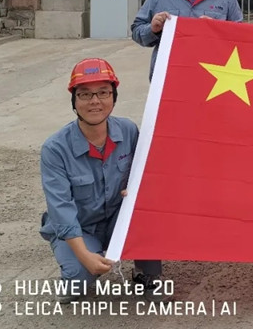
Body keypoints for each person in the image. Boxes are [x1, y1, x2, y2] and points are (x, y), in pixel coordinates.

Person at [40, 58, 162, 303]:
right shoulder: (55, 149)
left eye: (103, 92)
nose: (95, 101)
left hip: (118, 219)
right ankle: (75, 271)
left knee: (150, 211)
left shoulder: (128, 131)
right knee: (77, 279)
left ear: (113, 97)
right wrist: (84, 255)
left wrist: (137, 191)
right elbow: (61, 208)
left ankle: (145, 272)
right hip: (81, 226)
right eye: (85, 94)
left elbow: (145, 174)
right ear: (74, 101)